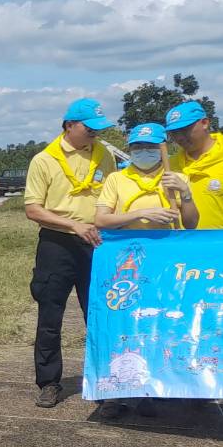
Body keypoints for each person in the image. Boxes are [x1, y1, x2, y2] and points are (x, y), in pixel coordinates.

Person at [93, 123, 198, 421]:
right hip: (126, 259)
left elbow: (191, 223)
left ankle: (150, 389)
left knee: (158, 323)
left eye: (150, 147)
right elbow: (101, 219)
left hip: (165, 260)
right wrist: (140, 214)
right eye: (137, 147)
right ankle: (114, 393)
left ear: (162, 149)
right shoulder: (117, 179)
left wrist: (185, 194)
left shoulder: (176, 177)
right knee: (121, 323)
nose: (143, 152)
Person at [23, 98, 114, 408]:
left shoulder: (104, 155)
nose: (95, 134)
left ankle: (105, 381)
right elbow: (33, 209)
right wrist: (73, 224)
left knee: (99, 314)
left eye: (98, 129)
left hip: (96, 243)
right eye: (89, 129)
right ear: (69, 125)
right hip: (57, 244)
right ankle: (49, 382)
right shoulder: (44, 160)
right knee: (50, 316)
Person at [162, 100, 223, 229]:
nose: (179, 137)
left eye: (184, 130)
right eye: (174, 133)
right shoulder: (170, 166)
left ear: (205, 123)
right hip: (182, 240)